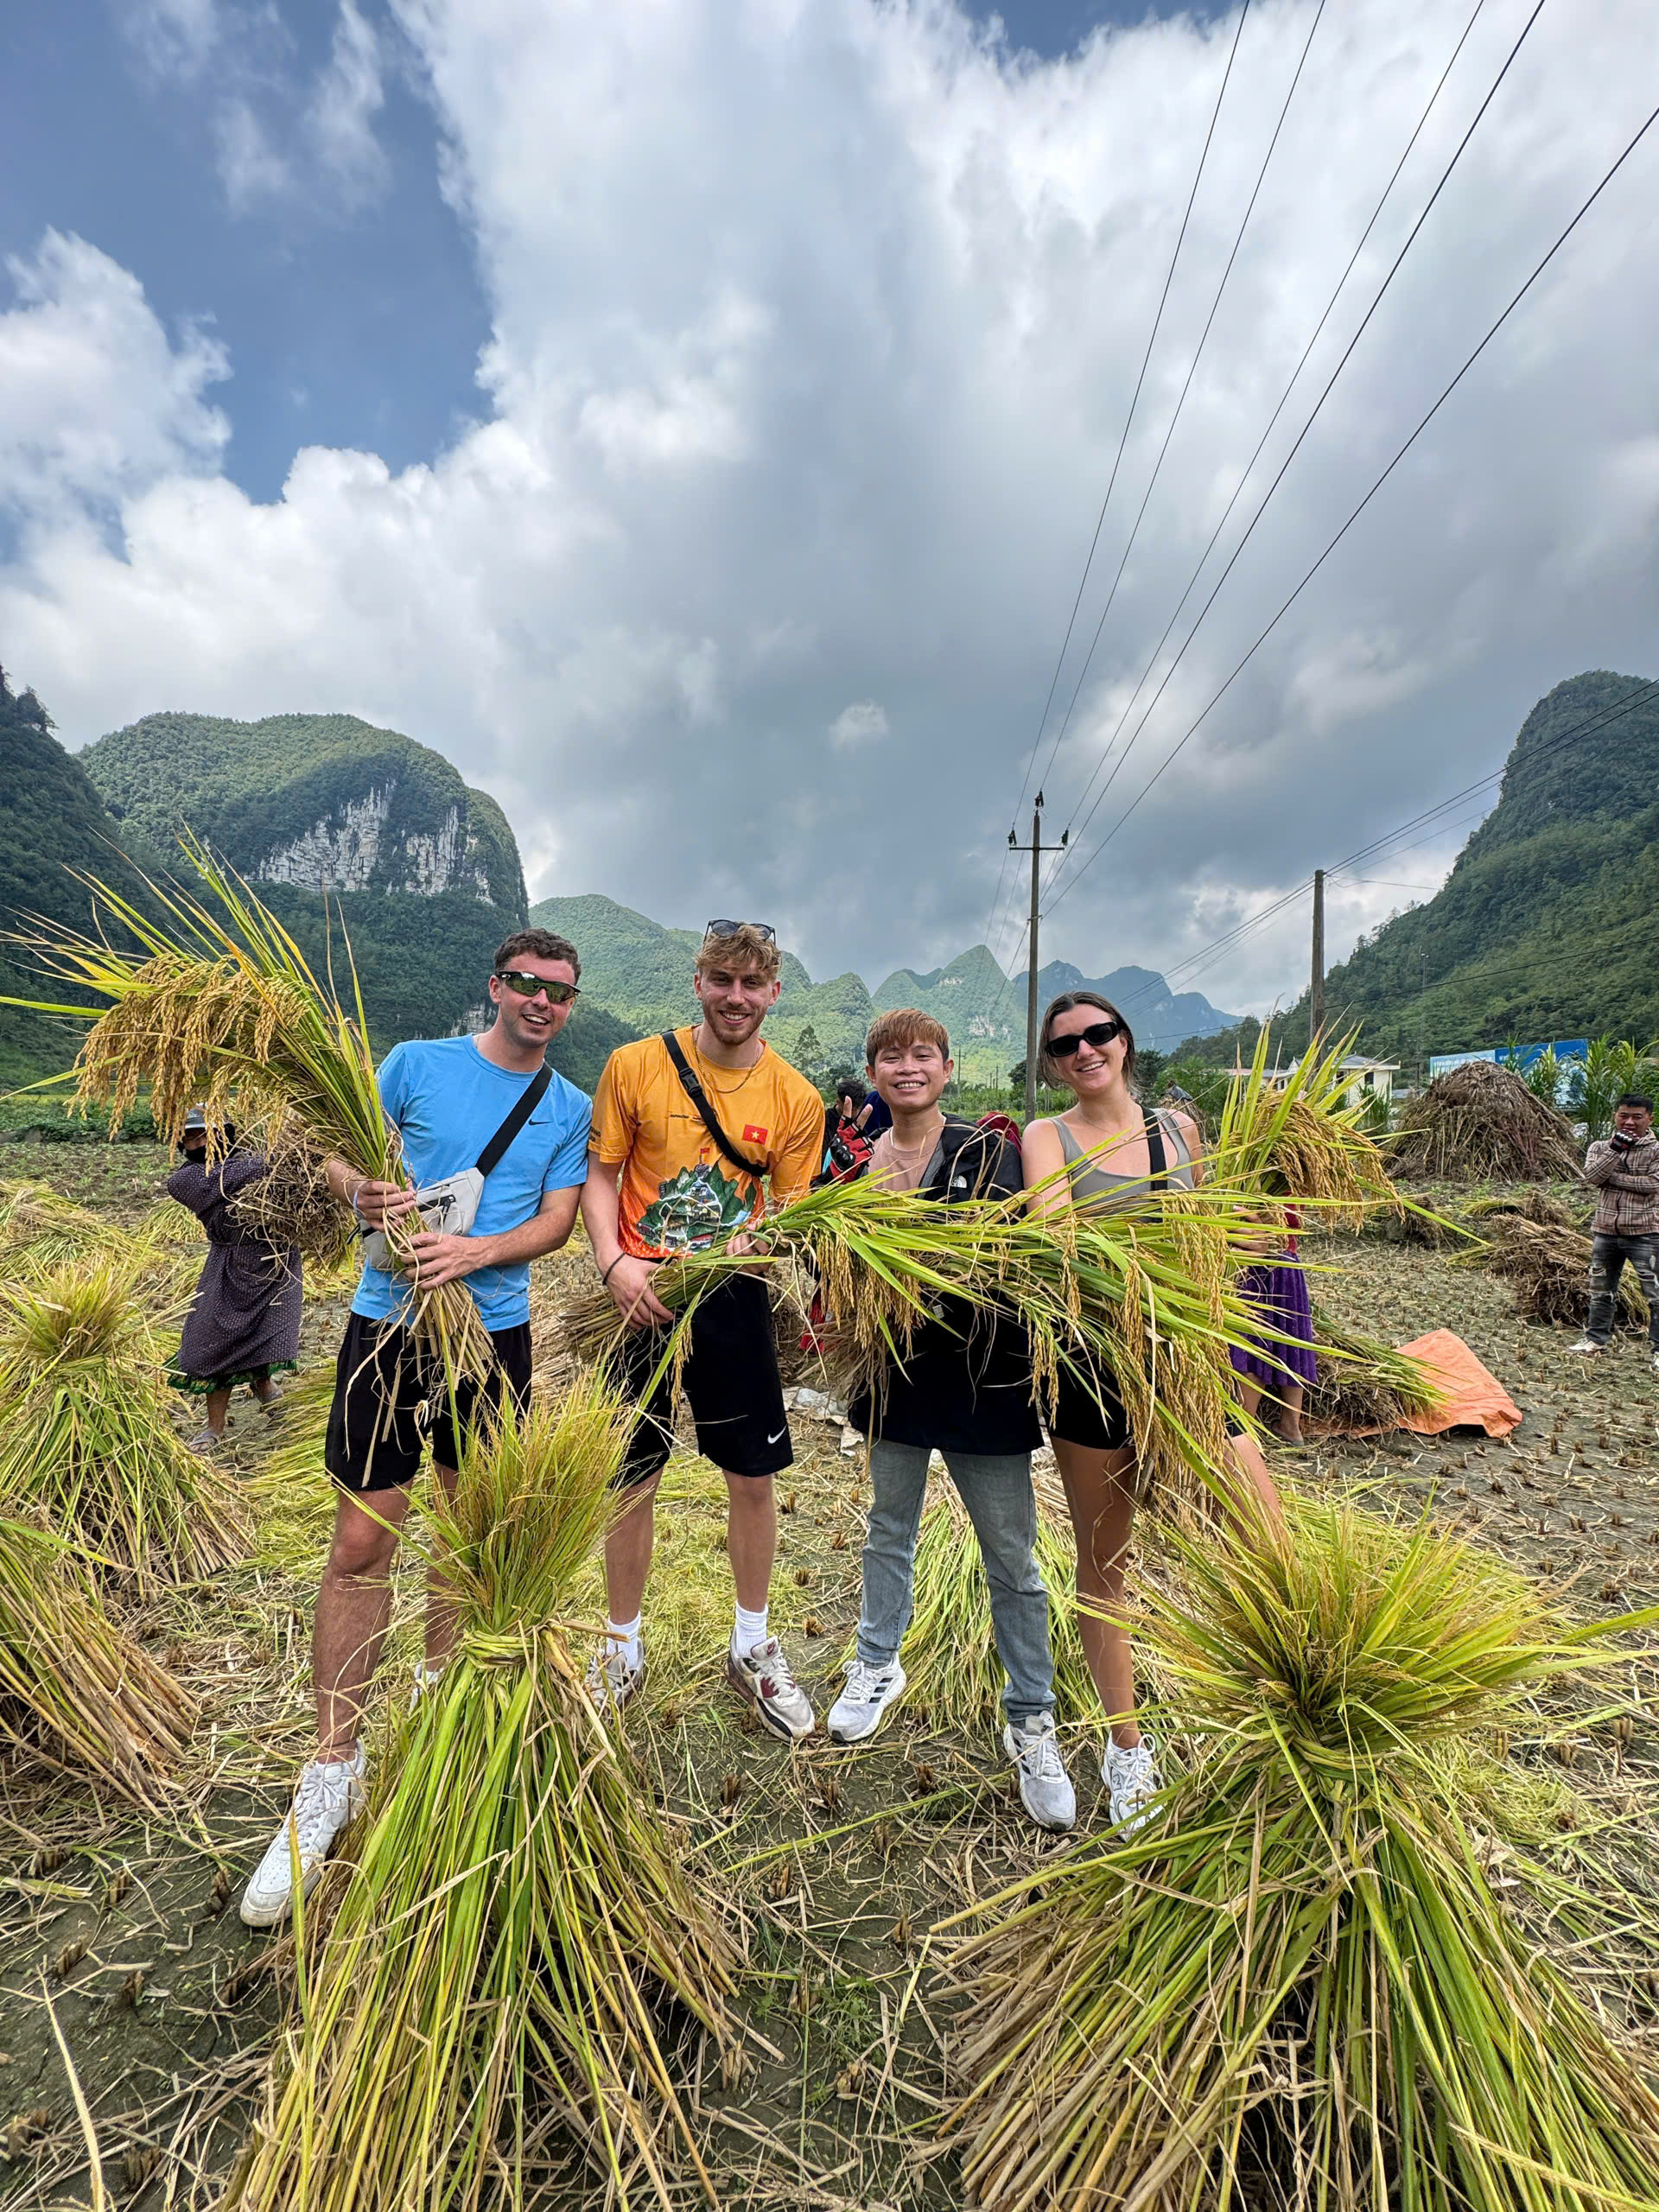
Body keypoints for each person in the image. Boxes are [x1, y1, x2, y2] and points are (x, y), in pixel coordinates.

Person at [239, 929, 593, 1928]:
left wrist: (476, 1250)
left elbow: (558, 1221)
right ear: (495, 985)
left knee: (468, 1533)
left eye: (558, 992)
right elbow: (332, 1145)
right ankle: (332, 1768)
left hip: (496, 1342)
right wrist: (364, 1189)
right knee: (362, 1537)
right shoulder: (414, 1064)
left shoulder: (568, 1106)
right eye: (525, 983)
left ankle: (443, 1711)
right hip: (386, 1327)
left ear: (569, 1006)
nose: (540, 1001)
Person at [1020, 990, 1280, 1832]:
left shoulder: (1178, 1131)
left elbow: (1208, 1237)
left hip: (1190, 1370)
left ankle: (1280, 1707)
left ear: (1125, 1040)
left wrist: (1244, 1241)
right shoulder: (1045, 1139)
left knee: (1266, 1537)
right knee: (1108, 1563)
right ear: (1054, 1062)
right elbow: (1062, 1248)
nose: (1085, 1049)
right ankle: (1127, 1750)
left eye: (1099, 1033)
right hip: (1094, 1373)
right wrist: (1153, 1271)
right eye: (1067, 1044)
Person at [825, 1011, 1074, 1831]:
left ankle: (1030, 1715)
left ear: (946, 1068)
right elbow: (834, 1263)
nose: (905, 1068)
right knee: (887, 1526)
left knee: (1012, 1556)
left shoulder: (987, 1152)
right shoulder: (854, 1164)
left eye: (921, 1055)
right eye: (889, 1057)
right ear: (873, 1071)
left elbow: (1014, 1257)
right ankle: (875, 1666)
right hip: (892, 1378)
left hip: (984, 1379)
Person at [582, 920, 827, 1737]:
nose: (736, 998)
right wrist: (615, 1263)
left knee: (752, 1477)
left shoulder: (796, 1098)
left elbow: (790, 1215)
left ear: (774, 995)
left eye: (752, 985)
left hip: (732, 1293)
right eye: (722, 980)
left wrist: (747, 1250)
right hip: (637, 1294)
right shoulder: (635, 1066)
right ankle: (621, 1643)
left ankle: (752, 1644)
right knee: (631, 1474)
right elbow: (602, 1175)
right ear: (699, 981)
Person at [166, 1108, 301, 1452]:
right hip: (230, 1262)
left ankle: (262, 1382)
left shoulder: (249, 1161)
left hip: (274, 1257)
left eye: (202, 1136)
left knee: (266, 1329)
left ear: (221, 1137)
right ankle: (214, 1427)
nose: (193, 1143)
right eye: (188, 1138)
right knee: (215, 1337)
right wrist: (274, 1158)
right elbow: (238, 1175)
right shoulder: (185, 1180)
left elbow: (270, 1172)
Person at [1571, 1093, 1659, 1370]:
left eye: (1637, 1116)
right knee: (1601, 1290)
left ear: (1650, 1119)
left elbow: (1653, 1185)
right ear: (1615, 1116)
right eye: (1624, 1115)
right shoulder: (1601, 1146)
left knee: (1654, 1293)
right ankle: (1595, 1340)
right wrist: (1616, 1150)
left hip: (1645, 1232)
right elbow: (1591, 1177)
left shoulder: (1656, 1150)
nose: (1629, 1122)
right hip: (1605, 1231)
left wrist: (1613, 1179)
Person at [1230, 1190, 1317, 1444]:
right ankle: (1291, 1426)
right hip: (1288, 1264)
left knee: (1252, 1346)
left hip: (1258, 1264)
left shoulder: (1261, 1178)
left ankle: (1243, 1432)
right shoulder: (1293, 1177)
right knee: (1290, 1344)